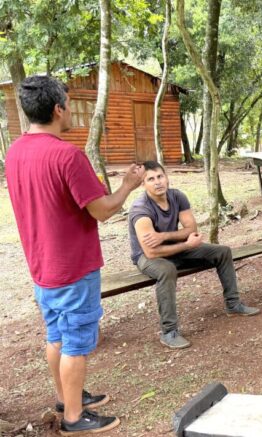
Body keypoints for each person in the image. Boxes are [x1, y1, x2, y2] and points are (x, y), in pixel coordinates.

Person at [6, 75, 145, 434]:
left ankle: (66, 398)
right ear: (58, 109)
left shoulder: (15, 152)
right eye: (68, 105)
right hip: (73, 267)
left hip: (42, 266)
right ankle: (73, 417)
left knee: (56, 336)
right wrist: (128, 185)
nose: (70, 111)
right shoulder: (68, 155)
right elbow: (102, 210)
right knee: (76, 342)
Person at [128, 161, 260, 350]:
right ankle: (169, 332)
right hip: (147, 257)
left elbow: (191, 228)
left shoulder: (177, 196)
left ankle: (233, 304)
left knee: (222, 252)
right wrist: (185, 243)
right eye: (151, 179)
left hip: (177, 247)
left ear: (166, 177)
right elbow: (151, 251)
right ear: (143, 184)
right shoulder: (141, 210)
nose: (157, 182)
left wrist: (164, 237)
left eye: (160, 176)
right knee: (167, 269)